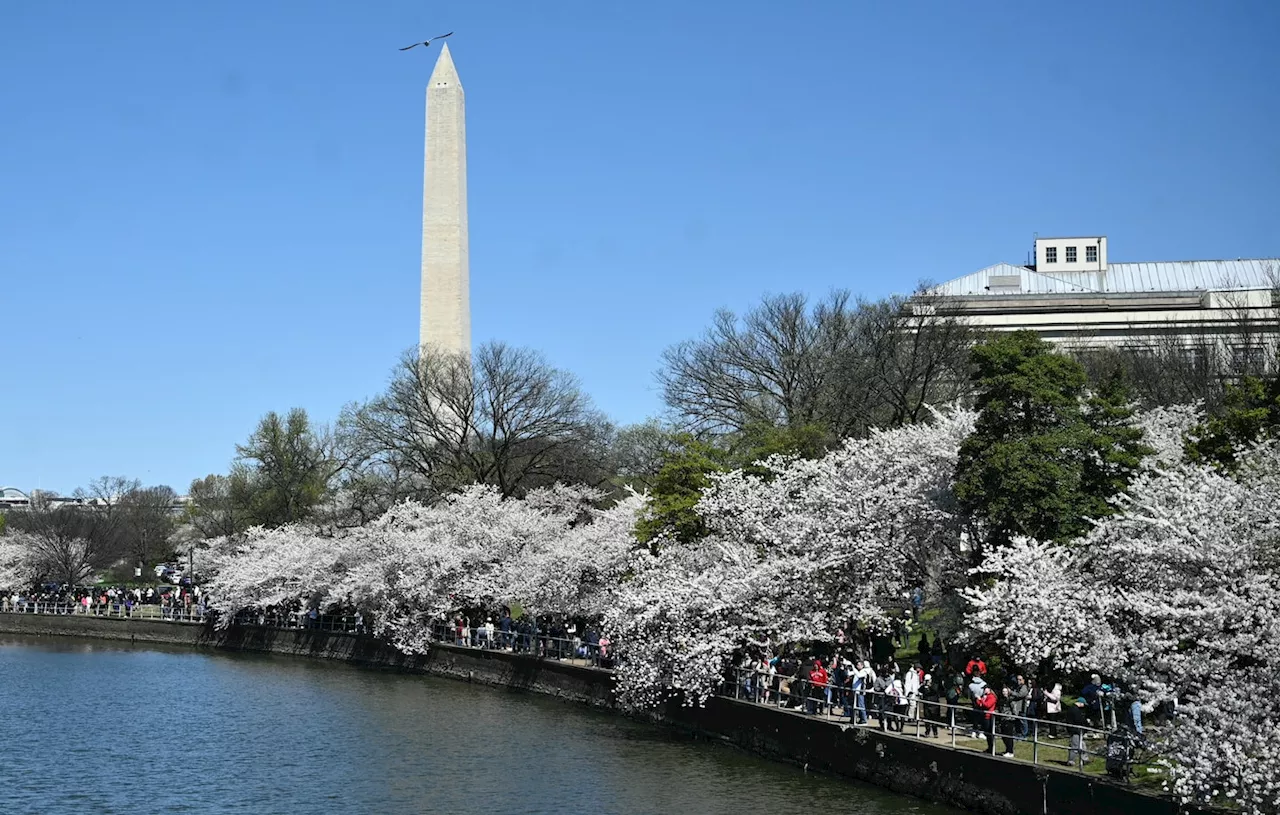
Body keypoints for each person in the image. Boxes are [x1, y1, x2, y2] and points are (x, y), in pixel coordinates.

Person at [1066, 700, 1091, 766]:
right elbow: (1079, 720)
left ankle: (1085, 759)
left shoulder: (1072, 709)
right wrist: (1086, 721)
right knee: (1075, 746)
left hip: (1075, 730)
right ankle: (1071, 761)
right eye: (1083, 704)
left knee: (1082, 745)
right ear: (1080, 702)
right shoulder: (1075, 710)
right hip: (1075, 730)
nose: (1084, 706)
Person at [975, 684, 998, 754]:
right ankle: (989, 748)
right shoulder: (985, 696)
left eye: (985, 689)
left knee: (990, 733)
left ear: (989, 689)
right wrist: (979, 700)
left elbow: (987, 705)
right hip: (984, 716)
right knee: (987, 733)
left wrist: (980, 699)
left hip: (989, 717)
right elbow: (980, 705)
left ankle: (992, 748)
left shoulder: (992, 697)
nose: (984, 690)